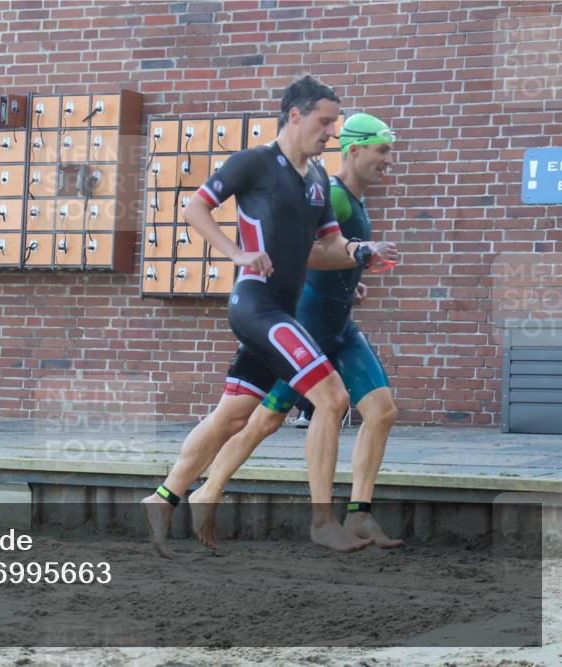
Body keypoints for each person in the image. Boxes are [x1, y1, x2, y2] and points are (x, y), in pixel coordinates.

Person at [142, 77, 397, 557]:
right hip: (256, 306)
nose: (331, 133)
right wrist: (237, 253)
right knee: (332, 398)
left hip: (283, 310)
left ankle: (163, 497)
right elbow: (195, 208)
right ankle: (323, 521)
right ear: (295, 115)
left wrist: (360, 252)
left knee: (233, 417)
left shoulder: (317, 178)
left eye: (335, 124)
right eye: (324, 122)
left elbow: (328, 244)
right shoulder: (254, 163)